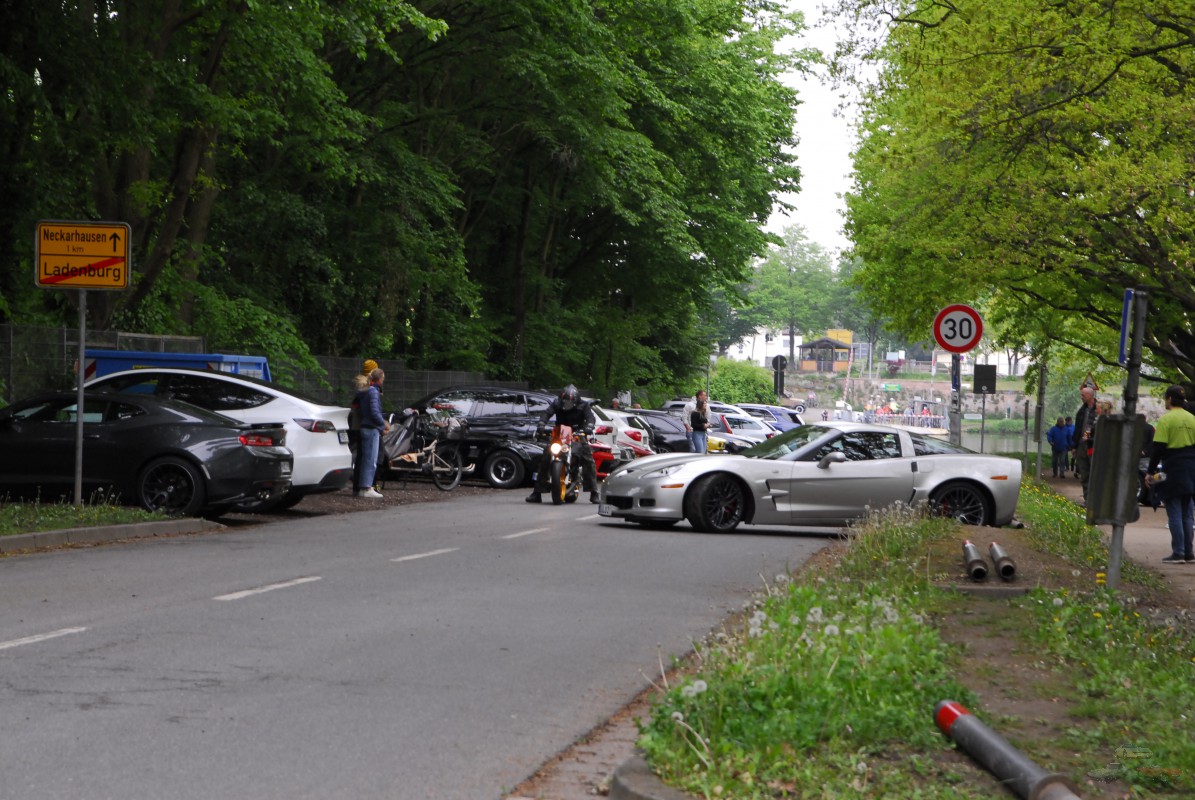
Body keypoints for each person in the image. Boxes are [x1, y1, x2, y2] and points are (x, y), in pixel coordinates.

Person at [1145, 385, 1195, 563]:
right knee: (1187, 512)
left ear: (1169, 399)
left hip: (1172, 467)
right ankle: (1189, 553)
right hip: (1191, 468)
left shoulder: (1166, 420)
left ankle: (1179, 552)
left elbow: (1158, 449)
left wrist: (1150, 472)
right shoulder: (1192, 419)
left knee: (1173, 509)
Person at [526, 384, 599, 504]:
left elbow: (590, 418)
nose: (567, 404)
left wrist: (589, 427)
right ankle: (537, 493)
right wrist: (541, 424)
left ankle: (594, 493)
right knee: (545, 457)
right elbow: (546, 414)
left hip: (577, 434)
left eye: (570, 402)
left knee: (588, 459)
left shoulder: (583, 405)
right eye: (565, 402)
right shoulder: (556, 403)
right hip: (560, 433)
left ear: (575, 401)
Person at [357, 368, 390, 499]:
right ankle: (366, 487)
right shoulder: (373, 392)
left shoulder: (366, 391)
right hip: (371, 428)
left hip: (365, 426)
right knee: (371, 460)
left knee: (366, 459)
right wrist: (383, 425)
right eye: (383, 378)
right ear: (379, 378)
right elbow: (375, 412)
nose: (384, 380)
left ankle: (363, 487)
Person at [1071, 385, 1098, 501]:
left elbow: (1091, 428)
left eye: (1083, 395)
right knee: (1084, 473)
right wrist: (1074, 446)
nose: (1081, 397)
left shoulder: (1098, 409)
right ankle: (1088, 500)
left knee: (1094, 473)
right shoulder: (1082, 411)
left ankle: (1094, 500)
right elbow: (1079, 429)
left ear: (1090, 396)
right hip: (1082, 446)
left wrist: (1087, 438)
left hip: (1093, 446)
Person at [347, 373, 369, 495]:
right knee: (364, 457)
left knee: (359, 456)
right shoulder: (363, 395)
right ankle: (363, 485)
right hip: (362, 427)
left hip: (356, 427)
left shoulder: (357, 396)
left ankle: (356, 486)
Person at [683, 390, 710, 454]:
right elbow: (685, 417)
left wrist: (707, 425)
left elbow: (708, 417)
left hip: (703, 432)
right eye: (705, 395)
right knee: (695, 450)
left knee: (703, 451)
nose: (706, 397)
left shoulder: (705, 408)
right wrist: (688, 428)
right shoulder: (690, 406)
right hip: (693, 431)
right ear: (700, 396)